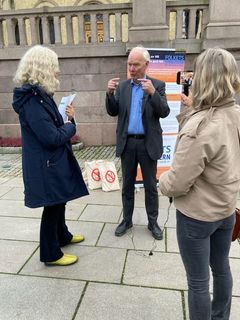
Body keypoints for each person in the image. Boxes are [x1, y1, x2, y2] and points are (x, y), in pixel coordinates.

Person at [159, 48, 240, 319]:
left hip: (197, 217)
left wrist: (161, 181)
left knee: (197, 281)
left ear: (202, 79)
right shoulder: (235, 114)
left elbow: (178, 182)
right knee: (221, 268)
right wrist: (194, 108)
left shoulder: (201, 126)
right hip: (226, 211)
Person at [12, 45, 89, 266]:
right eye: (54, 67)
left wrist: (68, 119)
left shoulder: (40, 95)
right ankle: (50, 254)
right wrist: (71, 127)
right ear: (43, 68)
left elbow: (55, 128)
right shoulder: (32, 101)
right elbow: (51, 137)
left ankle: (62, 236)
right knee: (52, 205)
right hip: (45, 163)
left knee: (59, 200)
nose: (58, 71)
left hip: (51, 161)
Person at [106, 46, 170, 240]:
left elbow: (164, 112)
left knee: (151, 186)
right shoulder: (124, 87)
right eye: (129, 64)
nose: (132, 68)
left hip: (147, 144)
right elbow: (113, 111)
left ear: (146, 65)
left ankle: (153, 222)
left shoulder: (157, 85)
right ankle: (127, 220)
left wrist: (152, 93)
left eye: (136, 64)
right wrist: (109, 94)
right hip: (128, 144)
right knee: (127, 185)